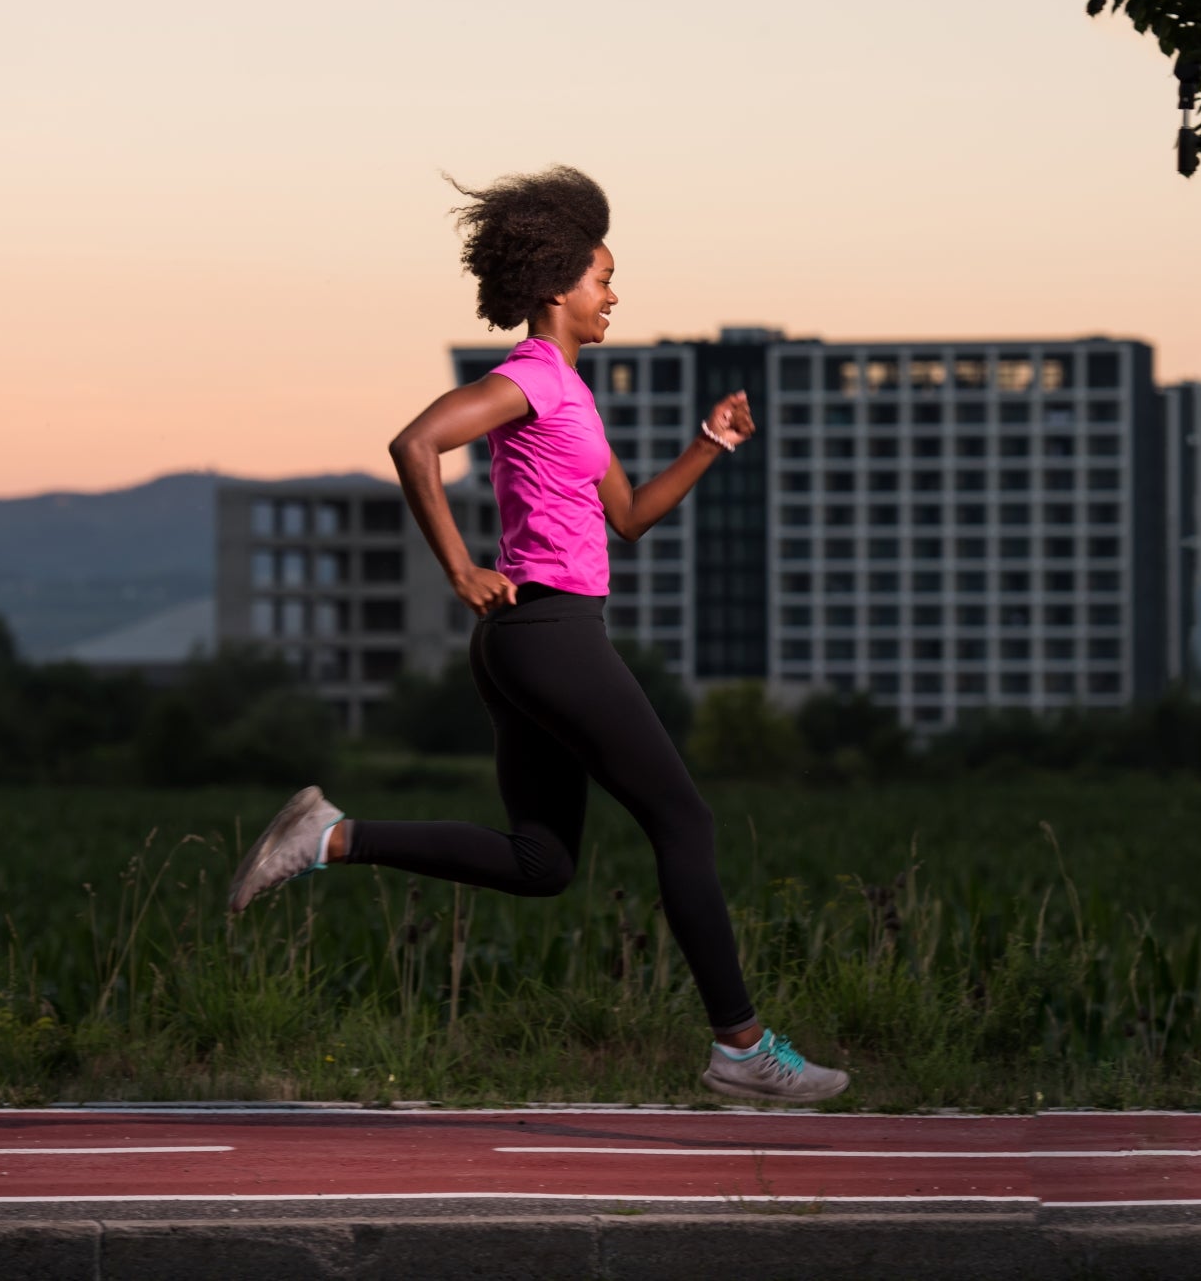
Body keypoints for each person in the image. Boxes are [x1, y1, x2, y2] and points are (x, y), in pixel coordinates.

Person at [225, 164, 846, 1104]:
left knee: (542, 863)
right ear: (559, 287)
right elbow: (416, 442)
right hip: (547, 632)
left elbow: (629, 516)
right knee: (684, 819)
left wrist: (712, 443)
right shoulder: (527, 378)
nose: (615, 295)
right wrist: (460, 566)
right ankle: (741, 1047)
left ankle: (330, 836)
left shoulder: (569, 393)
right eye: (603, 279)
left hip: (530, 640)